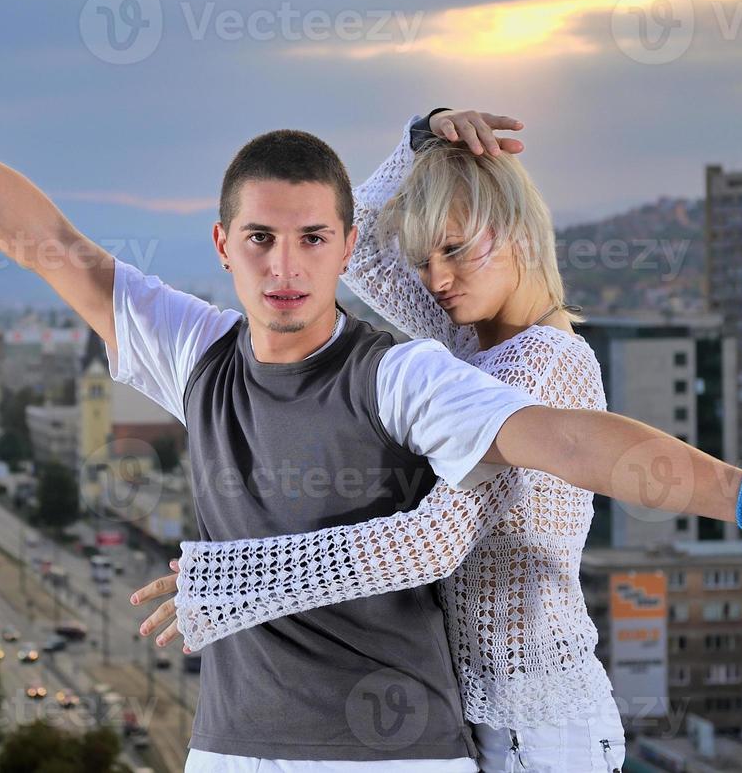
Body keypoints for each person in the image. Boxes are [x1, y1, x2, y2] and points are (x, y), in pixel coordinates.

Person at [0, 31, 742, 772]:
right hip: (256, 745)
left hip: (459, 739)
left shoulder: (434, 371)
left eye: (314, 239)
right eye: (259, 239)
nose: (287, 266)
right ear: (224, 246)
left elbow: (555, 453)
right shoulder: (239, 348)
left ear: (345, 246)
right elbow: (52, 245)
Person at [130, 107, 625, 770]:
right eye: (426, 259)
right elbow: (350, 244)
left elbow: (430, 541)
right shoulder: (467, 338)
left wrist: (234, 578)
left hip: (541, 727)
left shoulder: (543, 364)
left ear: (519, 236)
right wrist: (422, 138)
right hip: (476, 711)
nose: (436, 280)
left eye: (455, 249)